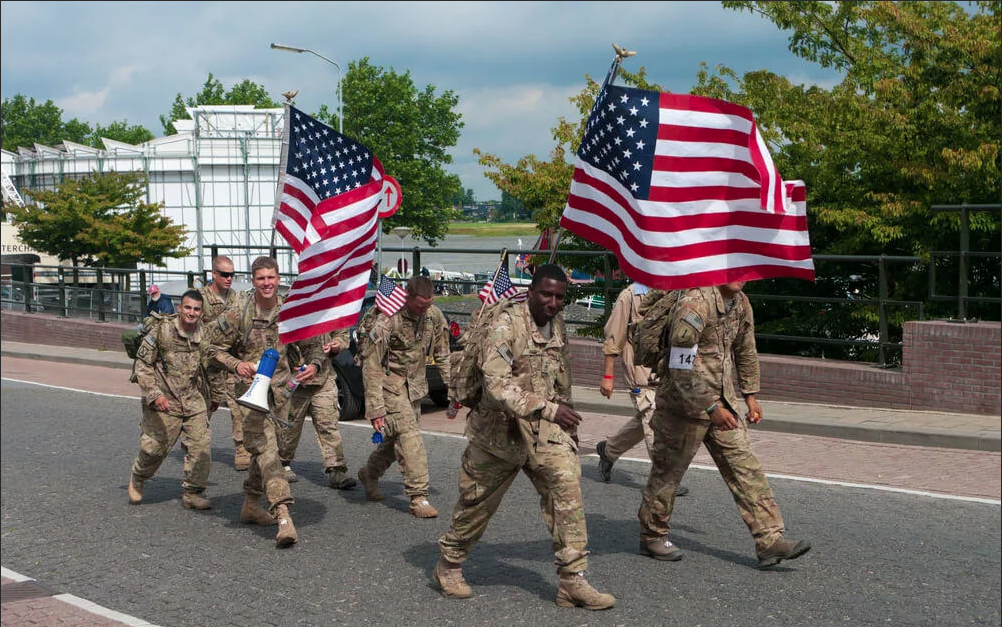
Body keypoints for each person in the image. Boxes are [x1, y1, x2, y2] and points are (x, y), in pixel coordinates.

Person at [435, 264, 616, 611]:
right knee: (476, 504)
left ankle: (572, 581)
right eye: (546, 294)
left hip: (544, 433)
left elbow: (562, 378)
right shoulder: (506, 326)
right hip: (498, 431)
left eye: (559, 297)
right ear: (531, 292)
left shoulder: (558, 325)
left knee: (567, 490)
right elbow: (497, 384)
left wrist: (568, 425)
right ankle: (449, 564)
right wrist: (549, 410)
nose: (552, 302)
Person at [637, 281, 811, 568]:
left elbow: (745, 349)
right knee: (667, 475)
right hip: (683, 406)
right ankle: (652, 535)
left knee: (747, 469)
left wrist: (751, 396)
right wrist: (709, 406)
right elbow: (679, 366)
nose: (739, 277)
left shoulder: (740, 303)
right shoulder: (695, 304)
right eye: (732, 269)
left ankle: (769, 540)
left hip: (723, 406)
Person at [206, 256, 320, 548]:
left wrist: (314, 366)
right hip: (250, 396)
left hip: (282, 395)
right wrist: (235, 364)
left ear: (278, 279)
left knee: (270, 451)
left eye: (271, 278)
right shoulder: (238, 311)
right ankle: (283, 514)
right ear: (253, 280)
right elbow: (209, 346)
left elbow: (313, 346)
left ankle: (250, 504)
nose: (266, 283)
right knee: (268, 452)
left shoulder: (290, 312)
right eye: (261, 279)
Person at [356, 275, 451, 519]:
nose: (424, 309)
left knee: (392, 442)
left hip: (415, 388)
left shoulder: (433, 316)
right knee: (410, 438)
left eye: (428, 304)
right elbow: (372, 365)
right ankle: (418, 496)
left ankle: (370, 473)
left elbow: (442, 354)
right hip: (390, 387)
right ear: (407, 298)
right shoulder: (388, 320)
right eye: (420, 305)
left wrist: (454, 388)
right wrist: (375, 408)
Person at [595, 282, 689, 496]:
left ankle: (608, 451)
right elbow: (613, 338)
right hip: (639, 373)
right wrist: (608, 377)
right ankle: (665, 479)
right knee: (653, 419)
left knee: (645, 420)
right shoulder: (628, 296)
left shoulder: (673, 291)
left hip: (664, 372)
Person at [127, 290, 212, 511]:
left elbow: (212, 361)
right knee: (153, 449)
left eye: (196, 309)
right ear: (179, 308)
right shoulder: (162, 330)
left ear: (201, 312)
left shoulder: (204, 333)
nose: (191, 313)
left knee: (201, 446)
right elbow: (143, 365)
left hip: (192, 400)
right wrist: (154, 395)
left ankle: (193, 492)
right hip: (164, 401)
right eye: (188, 308)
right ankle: (139, 476)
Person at [276, 330, 358, 490]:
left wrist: (337, 345)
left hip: (323, 378)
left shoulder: (326, 309)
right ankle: (281, 463)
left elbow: (341, 334)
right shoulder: (285, 310)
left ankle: (337, 470)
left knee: (328, 425)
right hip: (294, 381)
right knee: (288, 427)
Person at [198, 255, 249, 471]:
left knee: (238, 404)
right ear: (214, 274)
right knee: (207, 405)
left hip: (230, 362)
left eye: (232, 275)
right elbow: (196, 332)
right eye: (225, 274)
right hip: (208, 362)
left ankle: (241, 449)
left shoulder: (236, 298)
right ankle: (194, 438)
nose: (229, 279)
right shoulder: (200, 299)